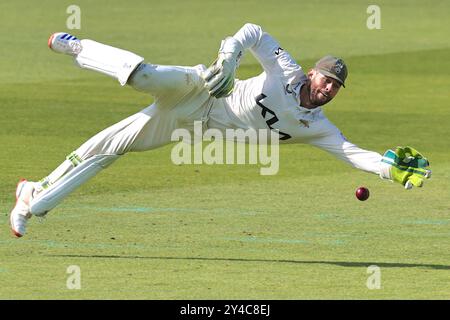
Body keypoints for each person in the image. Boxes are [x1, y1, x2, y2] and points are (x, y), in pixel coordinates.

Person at [10, 23, 431, 237]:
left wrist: (387, 169)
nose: (328, 89)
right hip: (201, 86)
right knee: (143, 74)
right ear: (311, 73)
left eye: (336, 87)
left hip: (187, 124)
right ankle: (79, 48)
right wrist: (228, 60)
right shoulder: (284, 69)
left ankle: (34, 194)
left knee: (109, 148)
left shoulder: (315, 127)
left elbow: (353, 152)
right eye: (326, 80)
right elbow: (252, 31)